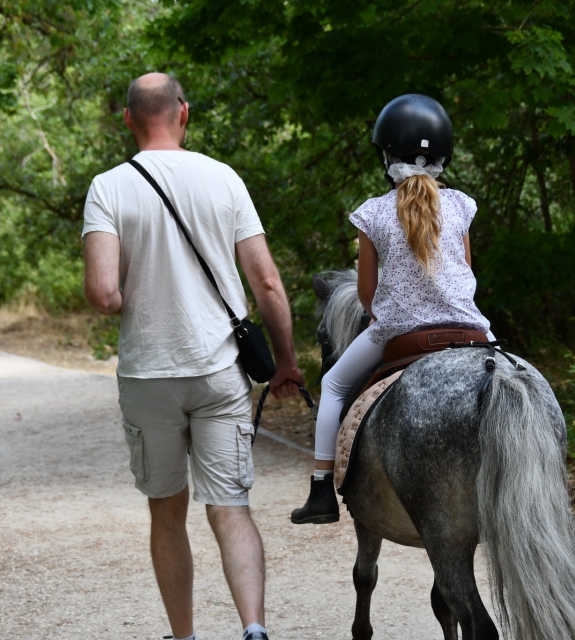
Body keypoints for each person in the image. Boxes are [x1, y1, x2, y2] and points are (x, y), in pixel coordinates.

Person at [82, 72, 304, 640]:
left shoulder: (109, 187)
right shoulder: (223, 179)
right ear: (184, 113)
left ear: (129, 119)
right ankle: (254, 629)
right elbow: (269, 284)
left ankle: (184, 637)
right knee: (231, 508)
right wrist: (285, 362)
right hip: (218, 371)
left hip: (148, 374)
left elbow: (104, 294)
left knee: (167, 512)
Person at [291, 94, 496, 524]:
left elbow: (366, 294)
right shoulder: (461, 205)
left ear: (386, 154)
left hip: (402, 331)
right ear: (443, 156)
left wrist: (391, 307)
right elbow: (466, 272)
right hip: (471, 331)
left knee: (332, 385)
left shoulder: (372, 214)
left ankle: (321, 490)